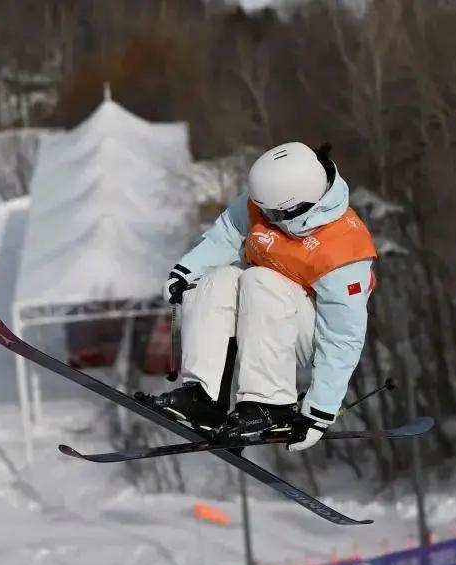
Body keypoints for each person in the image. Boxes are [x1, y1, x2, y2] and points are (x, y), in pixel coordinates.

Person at [149, 142, 377, 452]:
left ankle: (269, 405)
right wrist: (186, 271)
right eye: (261, 208)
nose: (264, 218)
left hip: (307, 333)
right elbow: (228, 234)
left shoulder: (344, 251)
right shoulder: (269, 203)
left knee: (260, 279)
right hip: (261, 317)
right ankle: (205, 397)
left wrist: (319, 413)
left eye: (271, 212)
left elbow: (342, 338)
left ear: (299, 207)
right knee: (220, 279)